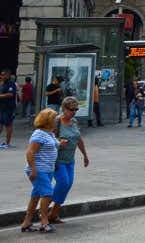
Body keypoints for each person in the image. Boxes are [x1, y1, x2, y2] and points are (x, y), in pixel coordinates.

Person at [48, 96, 89, 224]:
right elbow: (47, 139)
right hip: (57, 160)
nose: (74, 112)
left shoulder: (74, 121)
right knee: (63, 183)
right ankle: (44, 206)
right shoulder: (56, 122)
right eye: (72, 109)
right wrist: (59, 142)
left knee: (67, 185)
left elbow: (78, 138)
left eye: (76, 109)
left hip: (70, 160)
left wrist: (85, 155)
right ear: (63, 109)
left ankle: (53, 214)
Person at [19, 108, 60, 233]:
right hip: (39, 170)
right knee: (47, 194)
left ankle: (26, 223)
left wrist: (60, 144)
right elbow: (30, 152)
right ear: (47, 120)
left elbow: (53, 146)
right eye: (54, 118)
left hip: (48, 169)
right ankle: (44, 222)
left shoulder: (50, 133)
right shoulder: (38, 134)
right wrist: (33, 170)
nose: (56, 120)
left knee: (36, 196)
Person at [0, 68, 16, 148]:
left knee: (8, 124)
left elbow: (11, 94)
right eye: (1, 74)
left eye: (3, 75)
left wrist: (1, 96)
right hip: (2, 107)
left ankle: (7, 143)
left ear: (7, 75)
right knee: (0, 124)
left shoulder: (11, 83)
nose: (1, 76)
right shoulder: (2, 83)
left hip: (9, 108)